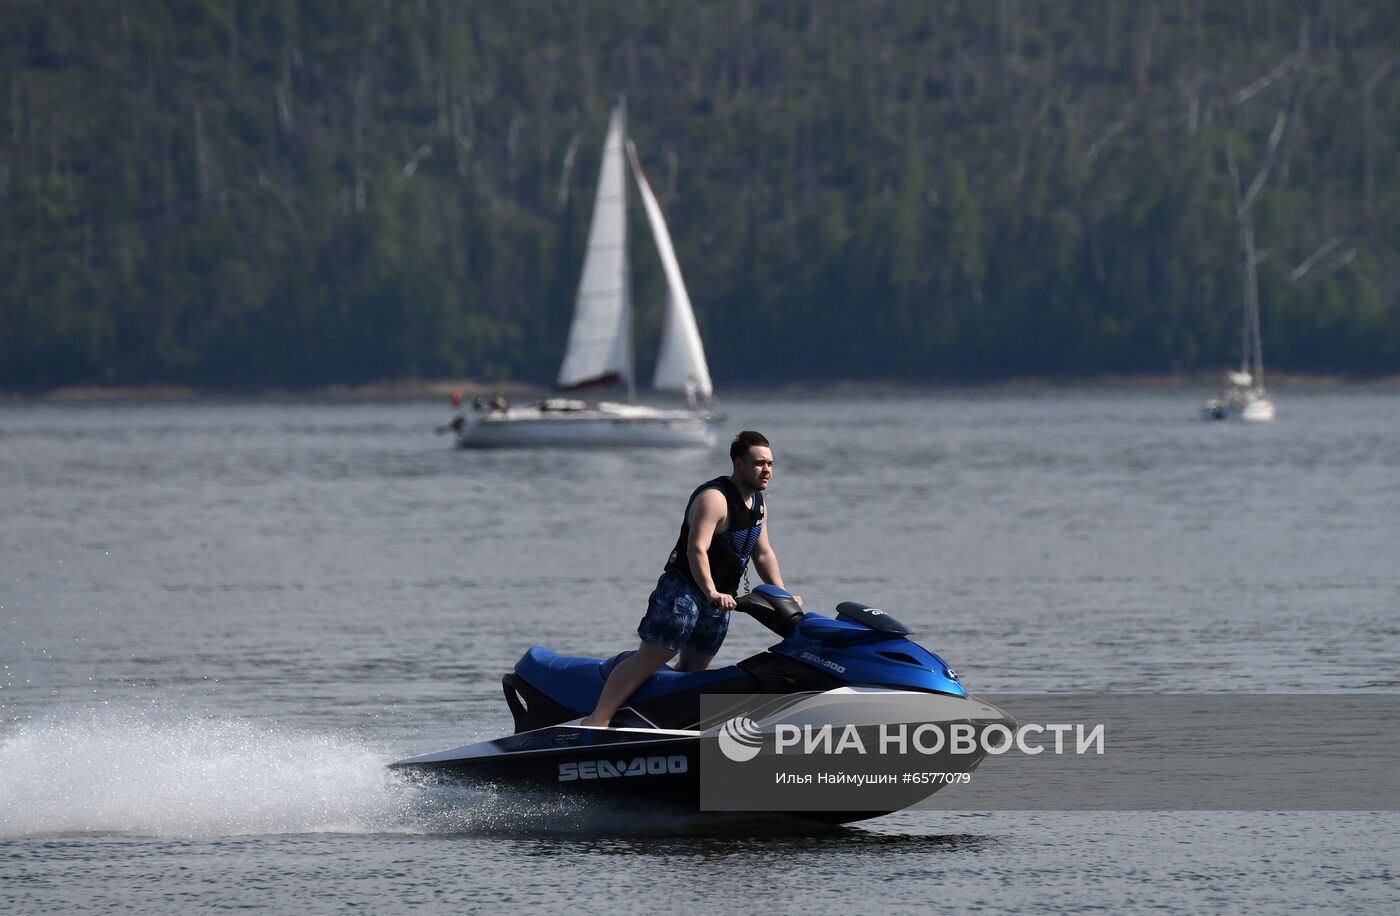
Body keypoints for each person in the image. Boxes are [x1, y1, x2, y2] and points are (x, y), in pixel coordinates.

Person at [581, 430, 800, 727]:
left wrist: (783, 596)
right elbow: (696, 548)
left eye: (771, 464)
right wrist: (710, 591)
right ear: (738, 464)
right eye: (760, 463)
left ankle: (662, 722)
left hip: (721, 601)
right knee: (654, 656)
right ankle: (598, 719)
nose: (767, 470)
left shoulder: (758, 504)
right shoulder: (715, 498)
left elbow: (763, 554)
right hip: (684, 591)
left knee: (694, 667)